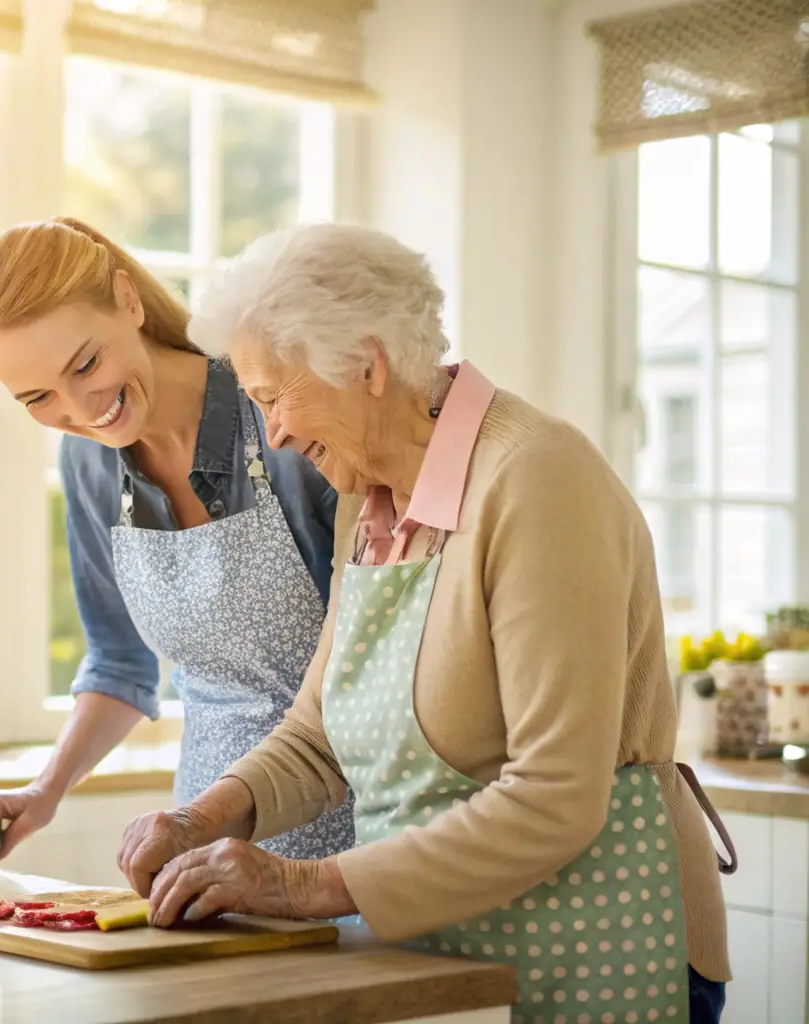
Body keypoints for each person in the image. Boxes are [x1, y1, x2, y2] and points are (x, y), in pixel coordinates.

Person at [116, 222, 733, 1022]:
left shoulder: (536, 479)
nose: (274, 434)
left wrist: (301, 884)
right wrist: (197, 819)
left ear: (367, 365)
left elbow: (555, 795)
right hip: (447, 957)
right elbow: (318, 738)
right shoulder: (368, 503)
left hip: (603, 940)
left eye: (274, 397)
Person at [0, 217, 358, 862]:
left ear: (128, 300)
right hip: (204, 841)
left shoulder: (280, 417)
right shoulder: (89, 464)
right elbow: (118, 663)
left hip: (356, 816)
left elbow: (378, 651)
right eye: (38, 397)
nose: (82, 409)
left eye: (86, 363)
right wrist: (45, 790)